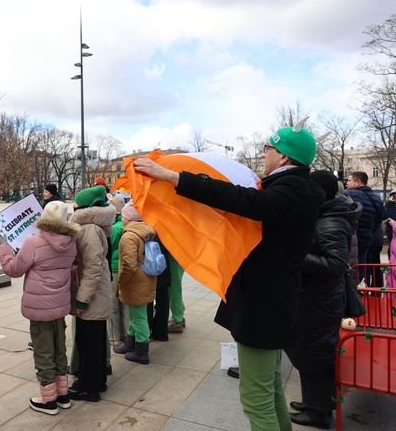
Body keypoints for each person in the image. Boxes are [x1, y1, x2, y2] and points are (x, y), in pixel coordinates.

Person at [134, 120, 324, 431]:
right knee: (270, 389)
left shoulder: (294, 192)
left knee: (256, 398)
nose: (264, 154)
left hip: (265, 306)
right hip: (271, 303)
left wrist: (173, 177)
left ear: (285, 157)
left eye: (268, 149)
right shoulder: (293, 188)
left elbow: (240, 199)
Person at [285, 170, 360, 429]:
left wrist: (295, 256)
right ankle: (313, 403)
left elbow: (336, 264)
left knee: (316, 354)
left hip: (321, 300)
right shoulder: (326, 215)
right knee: (309, 352)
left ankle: (319, 413)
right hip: (316, 297)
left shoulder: (331, 222)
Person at [0, 200, 79, 415]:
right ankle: (63, 395)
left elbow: (13, 269)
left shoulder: (33, 242)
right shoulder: (72, 243)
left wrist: (4, 248)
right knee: (59, 349)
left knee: (43, 352)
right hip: (60, 305)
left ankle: (49, 400)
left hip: (40, 308)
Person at [69, 185, 115, 402]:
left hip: (93, 296)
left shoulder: (89, 230)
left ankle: (90, 387)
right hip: (97, 294)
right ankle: (95, 381)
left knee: (91, 342)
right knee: (91, 340)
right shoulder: (95, 227)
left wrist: (82, 299)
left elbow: (93, 267)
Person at [113, 200, 157, 363]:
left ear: (130, 218)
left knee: (139, 318)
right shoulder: (146, 232)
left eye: (124, 215)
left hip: (134, 283)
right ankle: (130, 343)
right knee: (135, 315)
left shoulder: (129, 236)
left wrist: (122, 282)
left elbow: (129, 266)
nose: (121, 218)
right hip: (145, 280)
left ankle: (142, 352)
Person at [344, 171, 385, 285]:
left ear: (357, 182)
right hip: (367, 237)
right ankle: (359, 286)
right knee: (361, 265)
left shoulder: (348, 194)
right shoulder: (377, 199)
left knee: (348, 265)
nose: (347, 183)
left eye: (349, 180)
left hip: (351, 236)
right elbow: (379, 220)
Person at [108, 195, 129, 347]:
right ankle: (127, 334)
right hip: (126, 267)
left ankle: (114, 337)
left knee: (113, 304)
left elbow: (110, 246)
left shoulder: (115, 228)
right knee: (125, 303)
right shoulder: (128, 224)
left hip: (115, 268)